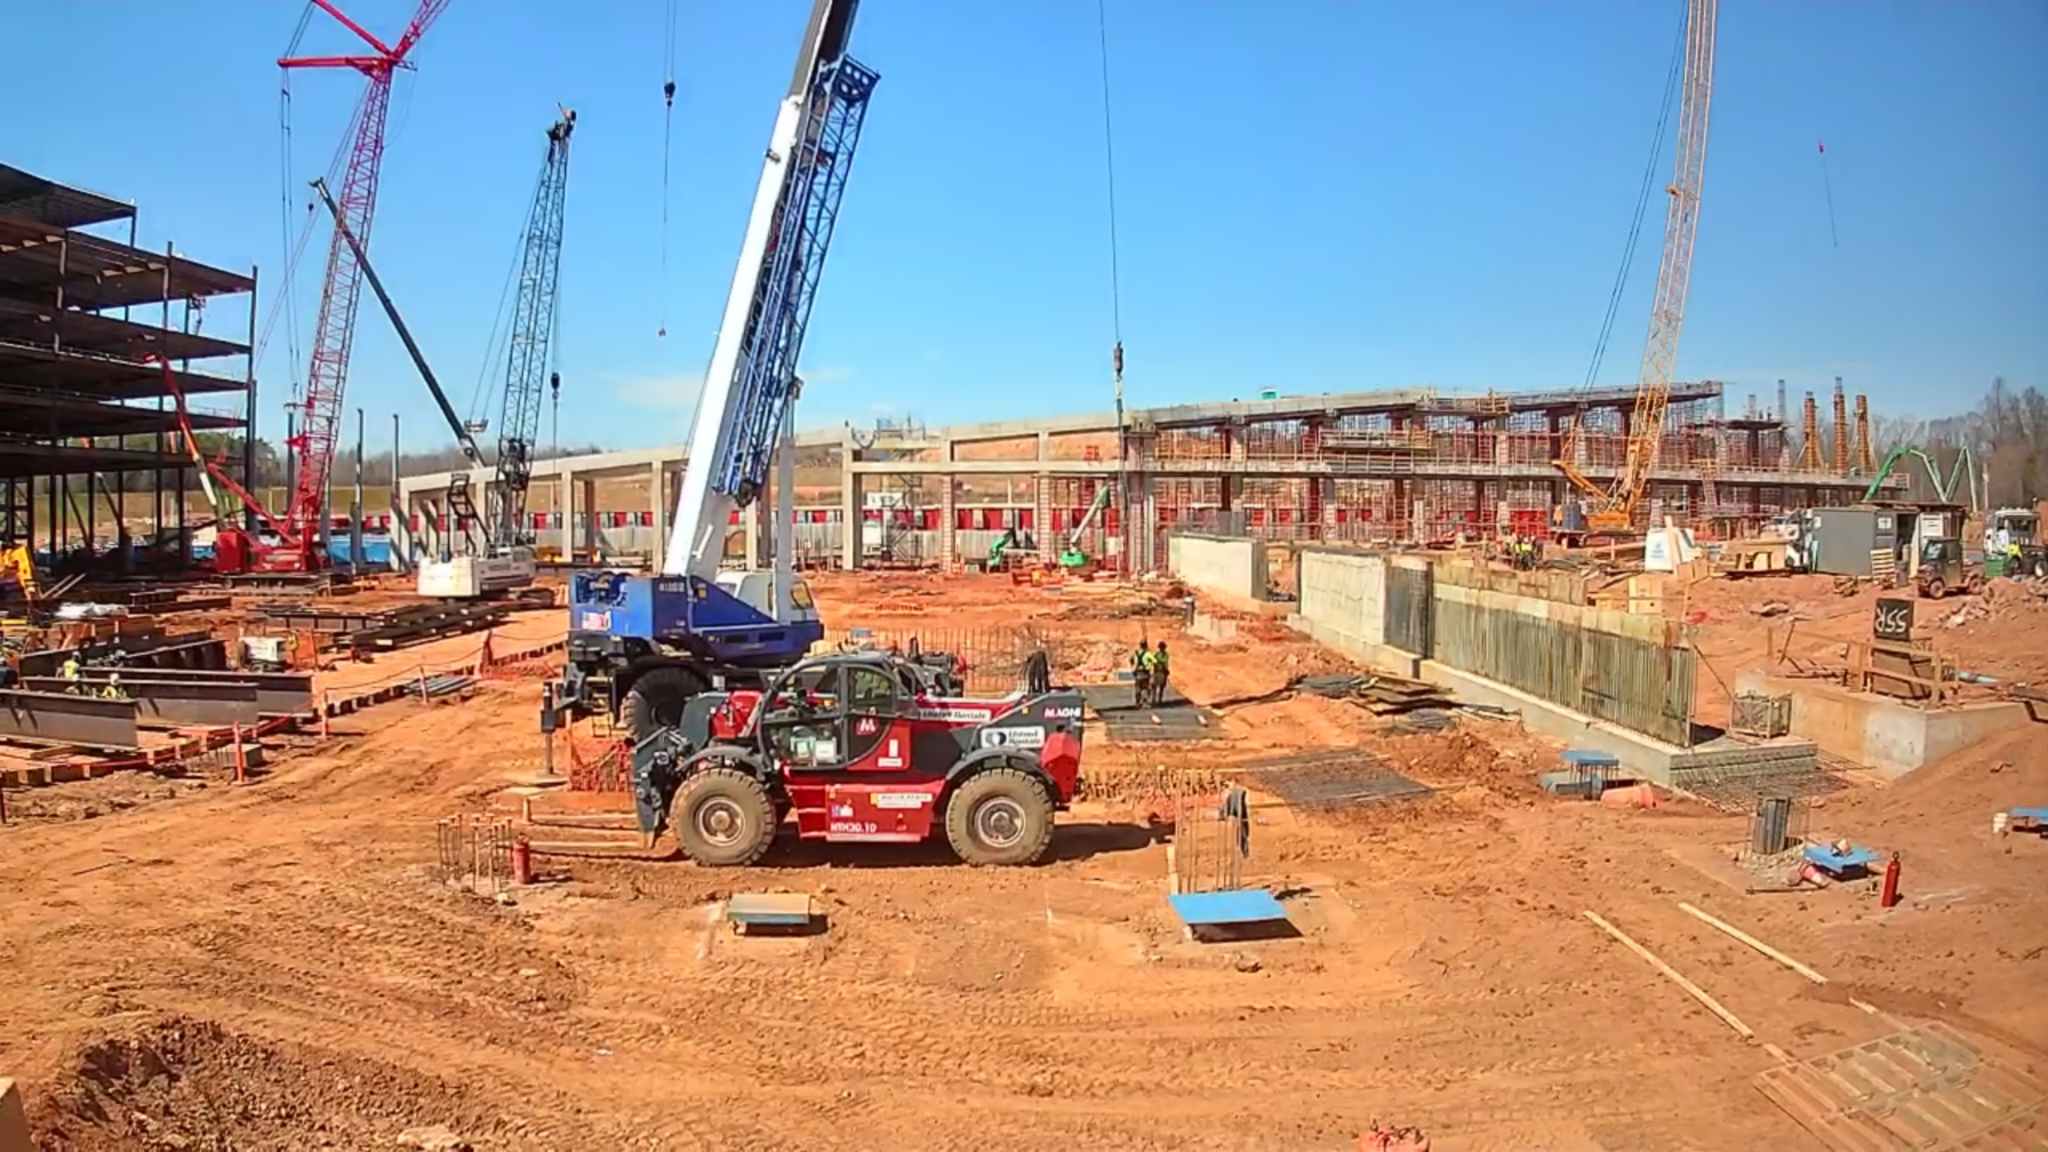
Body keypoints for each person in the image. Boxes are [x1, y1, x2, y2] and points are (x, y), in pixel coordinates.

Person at [1130, 640, 1152, 709]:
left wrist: (1133, 666)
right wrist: (1149, 664)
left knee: (1138, 688)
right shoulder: (1148, 653)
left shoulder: (1136, 653)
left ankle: (1137, 703)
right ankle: (1145, 702)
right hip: (1145, 673)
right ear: (1146, 646)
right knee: (1146, 688)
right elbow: (1154, 661)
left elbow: (1131, 659)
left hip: (1137, 673)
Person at [1149, 641, 1171, 705]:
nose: (1162, 648)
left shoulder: (1164, 654)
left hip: (1161, 672)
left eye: (1162, 647)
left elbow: (1165, 662)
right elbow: (1153, 661)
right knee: (1155, 687)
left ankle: (1158, 700)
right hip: (1158, 671)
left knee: (1160, 687)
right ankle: (1155, 699)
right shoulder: (1158, 654)